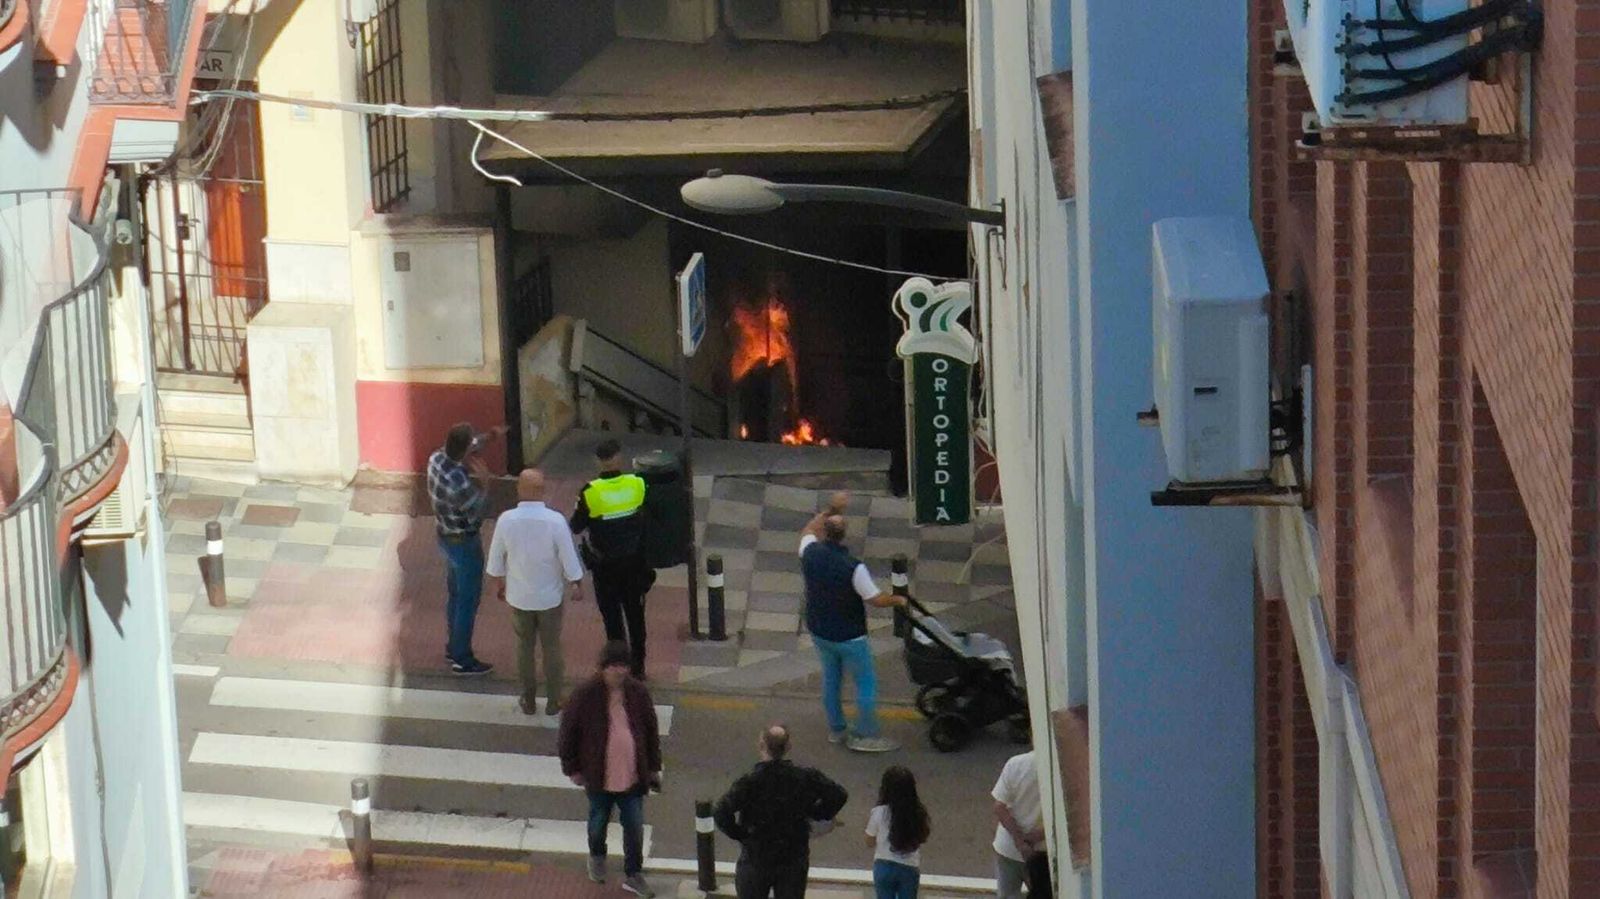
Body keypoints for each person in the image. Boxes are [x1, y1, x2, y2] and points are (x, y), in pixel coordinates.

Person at [799, 491, 907, 752]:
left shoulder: (810, 553)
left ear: (824, 532)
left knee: (831, 680)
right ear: (844, 535)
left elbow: (806, 531)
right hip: (850, 635)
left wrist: (830, 508)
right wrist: (898, 600)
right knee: (865, 682)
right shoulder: (853, 567)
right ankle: (865, 734)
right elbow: (875, 599)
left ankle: (837, 729)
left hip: (820, 630)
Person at [558, 641, 662, 898]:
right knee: (598, 822)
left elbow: (650, 730)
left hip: (632, 775)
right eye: (614, 666)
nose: (619, 672)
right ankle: (597, 855)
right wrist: (572, 768)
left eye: (623, 666)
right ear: (602, 668)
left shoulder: (637, 693)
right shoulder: (585, 695)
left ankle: (633, 873)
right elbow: (567, 734)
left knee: (634, 826)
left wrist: (652, 768)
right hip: (598, 776)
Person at [485, 468, 584, 716]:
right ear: (543, 491)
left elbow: (496, 560)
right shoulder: (555, 521)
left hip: (519, 597)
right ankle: (553, 699)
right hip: (549, 597)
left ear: (519, 489)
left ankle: (528, 699)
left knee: (524, 648)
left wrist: (498, 584)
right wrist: (576, 582)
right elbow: (568, 556)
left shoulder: (506, 520)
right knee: (552, 648)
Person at [714, 724, 849, 899]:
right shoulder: (804, 777)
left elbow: (721, 811)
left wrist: (741, 834)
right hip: (793, 856)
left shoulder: (750, 782)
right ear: (788, 747)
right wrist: (817, 812)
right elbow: (838, 794)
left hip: (757, 855)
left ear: (761, 746)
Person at [571, 440, 654, 678]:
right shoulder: (638, 484)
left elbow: (576, 526)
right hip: (634, 565)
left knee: (613, 620)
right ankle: (639, 668)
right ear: (619, 458)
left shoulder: (590, 492)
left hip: (604, 567)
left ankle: (619, 668)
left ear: (598, 461)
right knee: (636, 617)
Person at [426, 422, 500, 676]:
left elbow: (466, 445)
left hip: (445, 537)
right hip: (464, 543)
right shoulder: (460, 484)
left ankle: (452, 647)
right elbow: (477, 516)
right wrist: (486, 484)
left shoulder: (436, 458)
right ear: (466, 450)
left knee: (455, 595)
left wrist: (489, 435)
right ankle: (462, 658)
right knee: (468, 601)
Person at [865, 766, 930, 899]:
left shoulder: (879, 812)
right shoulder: (917, 813)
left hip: (883, 866)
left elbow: (869, 841)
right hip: (909, 868)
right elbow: (922, 837)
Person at [991, 751, 1045, 899]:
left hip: (1008, 847)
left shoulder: (1016, 763)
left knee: (1007, 895)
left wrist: (1019, 841)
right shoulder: (1060, 769)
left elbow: (999, 807)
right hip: (1041, 853)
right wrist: (1036, 837)